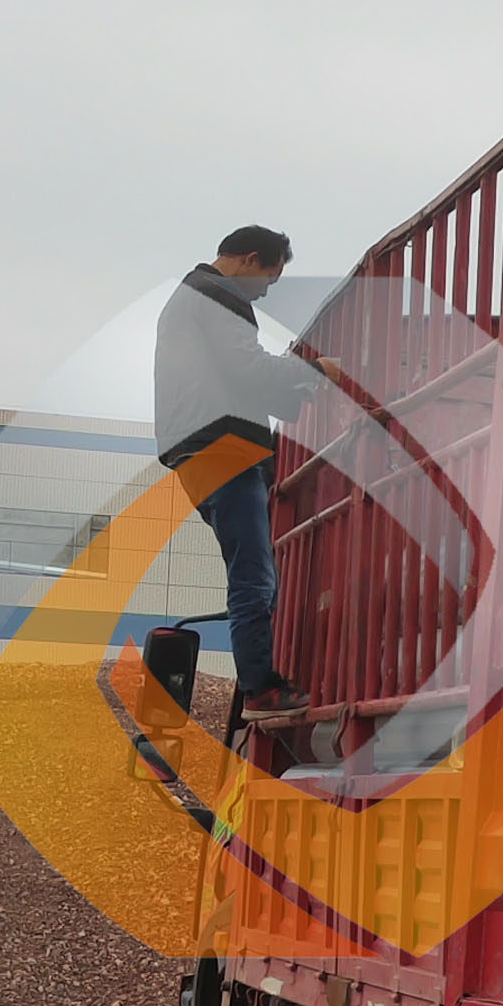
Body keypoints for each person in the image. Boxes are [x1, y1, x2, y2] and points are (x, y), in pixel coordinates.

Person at [154, 227, 304, 714]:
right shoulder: (218, 295)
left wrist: (291, 391)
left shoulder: (188, 298)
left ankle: (258, 683)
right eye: (269, 279)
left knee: (252, 572)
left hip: (198, 448)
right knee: (254, 578)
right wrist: (316, 375)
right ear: (251, 260)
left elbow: (238, 378)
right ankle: (260, 687)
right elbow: (250, 370)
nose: (264, 292)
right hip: (224, 448)